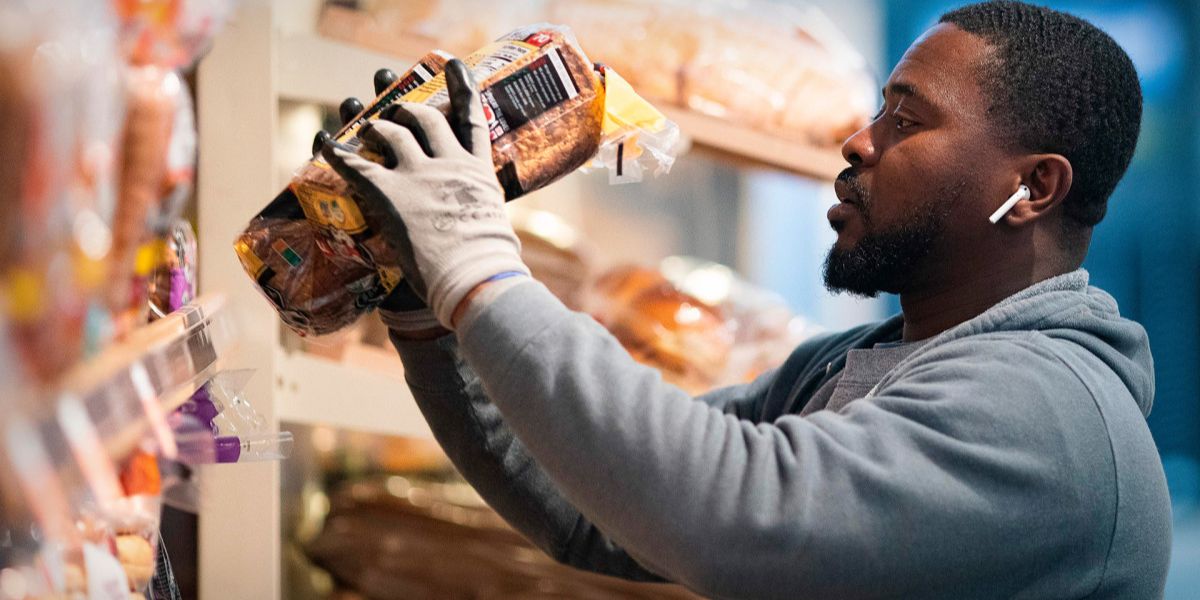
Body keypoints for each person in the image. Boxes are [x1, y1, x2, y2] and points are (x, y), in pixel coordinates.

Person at [316, 1, 1171, 597]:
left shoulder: (1048, 411)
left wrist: (475, 256)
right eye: (879, 109)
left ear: (1032, 189)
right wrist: (424, 302)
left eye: (907, 122)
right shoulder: (850, 365)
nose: (859, 139)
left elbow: (735, 514)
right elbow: (602, 506)